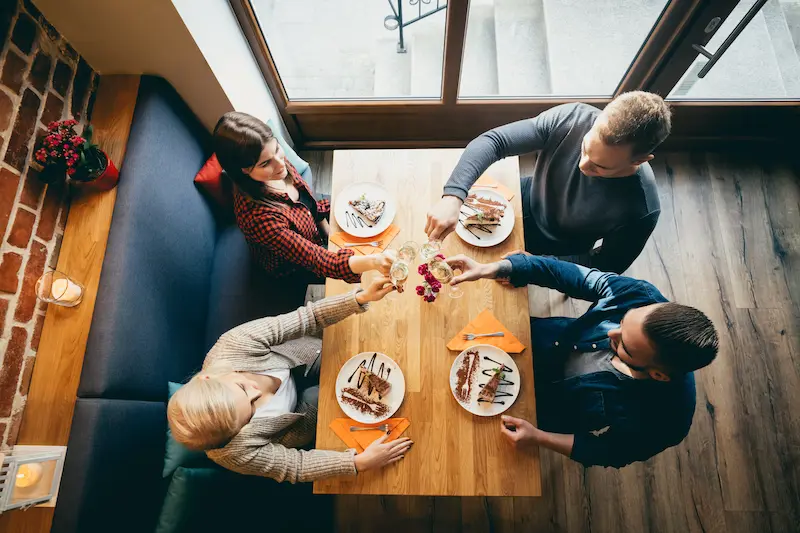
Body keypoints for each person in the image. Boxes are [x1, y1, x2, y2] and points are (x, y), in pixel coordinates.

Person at [445, 251, 719, 468]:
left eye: (624, 345)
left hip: (542, 411)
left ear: (658, 375)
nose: (611, 332)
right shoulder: (640, 296)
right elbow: (571, 276)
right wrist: (492, 268)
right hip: (533, 341)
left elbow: (610, 452)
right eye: (622, 322)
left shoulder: (669, 420)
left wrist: (539, 438)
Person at [167, 276, 413, 483]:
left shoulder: (234, 344)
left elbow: (308, 318)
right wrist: (358, 463)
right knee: (333, 402)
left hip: (304, 357)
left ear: (211, 376)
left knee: (361, 355)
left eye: (242, 388)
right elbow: (296, 466)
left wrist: (359, 298)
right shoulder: (233, 453)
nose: (256, 392)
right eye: (250, 412)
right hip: (299, 417)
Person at [426, 91, 671, 274]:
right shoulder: (573, 117)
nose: (583, 166)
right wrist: (453, 196)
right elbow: (495, 142)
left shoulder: (642, 210)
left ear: (640, 160)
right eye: (585, 148)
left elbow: (605, 267)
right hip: (523, 199)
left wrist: (535, 264)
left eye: (601, 167)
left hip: (557, 250)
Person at [213, 112, 392, 284]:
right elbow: (317, 260)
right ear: (243, 171)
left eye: (277, 149)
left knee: (374, 215)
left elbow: (308, 203)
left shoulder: (274, 165)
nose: (280, 163)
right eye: (265, 163)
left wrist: (326, 230)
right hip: (293, 266)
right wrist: (374, 262)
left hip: (313, 229)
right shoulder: (259, 220)